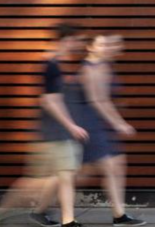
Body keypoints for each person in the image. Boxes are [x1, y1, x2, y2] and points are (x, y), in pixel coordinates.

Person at [0, 24, 89, 227]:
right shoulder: (51, 65)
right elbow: (49, 101)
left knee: (59, 176)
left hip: (53, 132)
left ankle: (63, 219)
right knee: (41, 180)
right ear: (66, 40)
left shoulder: (54, 63)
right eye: (78, 40)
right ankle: (66, 221)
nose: (80, 45)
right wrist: (71, 126)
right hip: (53, 133)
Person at [76, 35, 144, 226]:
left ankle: (119, 214)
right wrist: (119, 123)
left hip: (102, 125)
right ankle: (43, 200)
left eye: (107, 44)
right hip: (92, 125)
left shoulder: (103, 66)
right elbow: (97, 100)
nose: (106, 47)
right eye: (102, 44)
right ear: (90, 47)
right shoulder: (89, 69)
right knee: (85, 173)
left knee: (116, 166)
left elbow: (106, 99)